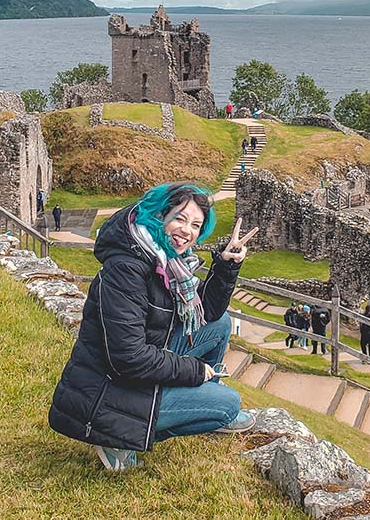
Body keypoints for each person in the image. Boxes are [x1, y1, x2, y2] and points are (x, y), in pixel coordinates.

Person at [48, 182, 259, 472]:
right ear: (161, 215)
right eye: (180, 219)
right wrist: (193, 371)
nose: (187, 231)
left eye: (196, 225)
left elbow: (208, 313)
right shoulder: (128, 266)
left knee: (219, 324)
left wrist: (226, 265)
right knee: (229, 404)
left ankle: (200, 399)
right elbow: (127, 357)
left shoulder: (167, 260)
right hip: (108, 392)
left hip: (136, 369)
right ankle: (118, 439)